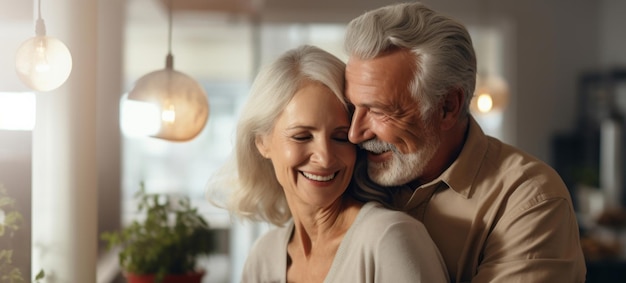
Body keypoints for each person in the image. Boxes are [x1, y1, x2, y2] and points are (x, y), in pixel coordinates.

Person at [343, 2, 586, 283]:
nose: (354, 133)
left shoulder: (530, 200)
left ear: (447, 106)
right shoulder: (347, 171)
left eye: (378, 110)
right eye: (353, 106)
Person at [221, 45, 449, 282]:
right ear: (262, 142)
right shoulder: (263, 256)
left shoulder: (389, 238)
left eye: (340, 137)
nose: (326, 157)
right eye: (302, 136)